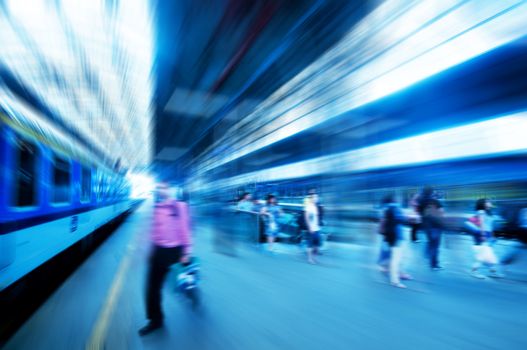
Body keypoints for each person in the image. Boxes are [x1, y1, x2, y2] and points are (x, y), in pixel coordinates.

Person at [139, 183, 192, 336]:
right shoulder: (156, 208)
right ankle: (155, 320)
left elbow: (185, 229)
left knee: (184, 281)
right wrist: (150, 250)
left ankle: (191, 292)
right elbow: (154, 230)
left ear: (169, 189)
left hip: (176, 251)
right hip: (158, 251)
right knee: (152, 287)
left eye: (163, 187)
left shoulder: (179, 207)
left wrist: (186, 252)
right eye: (157, 188)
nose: (160, 190)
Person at [380, 194, 411, 288]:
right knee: (396, 259)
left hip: (392, 237)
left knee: (396, 257)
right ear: (393, 200)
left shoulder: (386, 209)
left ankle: (395, 274)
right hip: (396, 237)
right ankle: (395, 280)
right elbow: (402, 219)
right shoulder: (394, 208)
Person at [469, 198, 504, 279]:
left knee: (489, 256)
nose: (490, 203)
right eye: (488, 202)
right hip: (482, 235)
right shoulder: (481, 212)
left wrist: (492, 236)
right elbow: (481, 224)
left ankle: (493, 272)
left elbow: (489, 226)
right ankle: (473, 271)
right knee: (482, 256)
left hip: (487, 235)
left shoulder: (489, 213)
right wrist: (483, 235)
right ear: (483, 204)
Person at [418, 187, 444, 270]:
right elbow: (441, 212)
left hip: (426, 226)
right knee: (435, 246)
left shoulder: (421, 201)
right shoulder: (435, 201)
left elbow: (419, 213)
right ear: (432, 192)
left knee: (431, 243)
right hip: (436, 226)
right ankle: (434, 265)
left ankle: (429, 254)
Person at [304, 194, 322, 264]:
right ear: (312, 198)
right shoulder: (308, 207)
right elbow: (306, 218)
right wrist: (309, 227)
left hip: (317, 228)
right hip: (311, 228)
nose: (317, 199)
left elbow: (317, 217)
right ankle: (309, 259)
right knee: (310, 244)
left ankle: (314, 258)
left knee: (316, 244)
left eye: (317, 197)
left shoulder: (316, 206)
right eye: (315, 197)